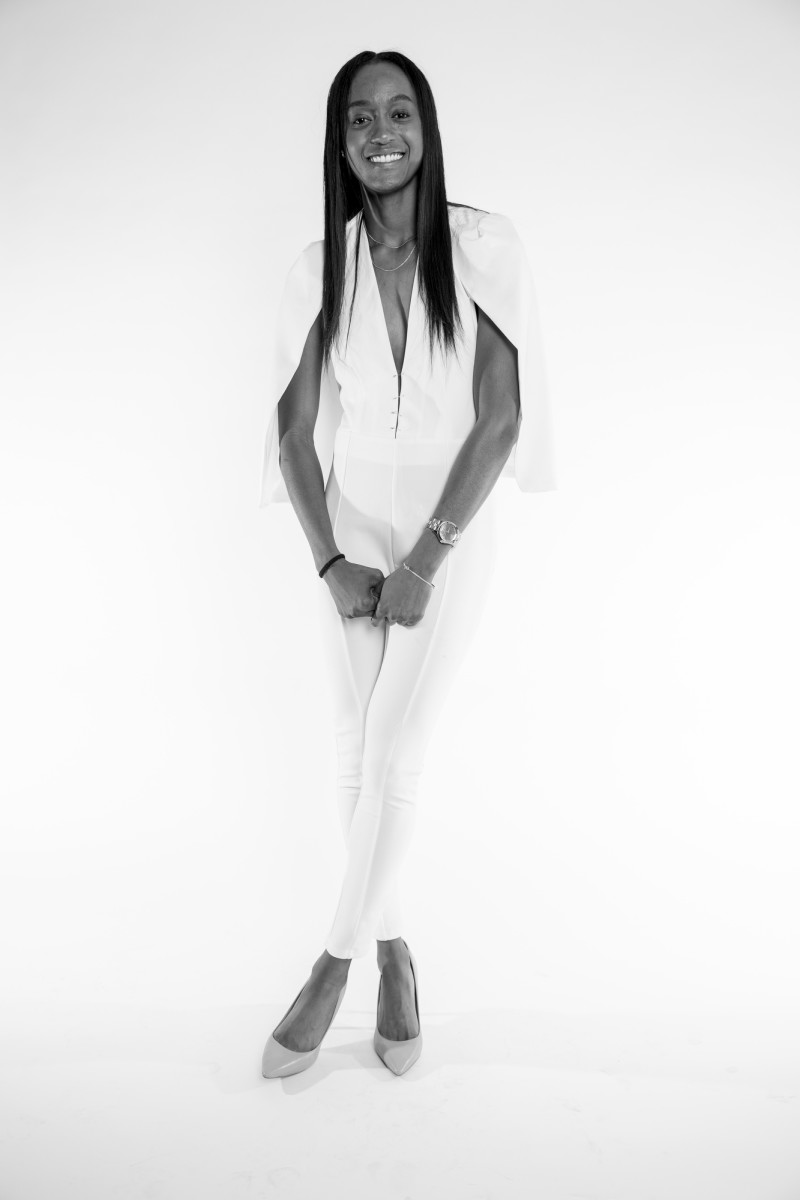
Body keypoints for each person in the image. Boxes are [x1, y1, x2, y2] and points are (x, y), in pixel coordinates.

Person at [259, 49, 556, 1078]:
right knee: (354, 748)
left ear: (425, 128)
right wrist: (329, 560)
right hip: (351, 526)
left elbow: (501, 419)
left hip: (447, 525)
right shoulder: (319, 267)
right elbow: (293, 431)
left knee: (396, 743)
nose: (379, 133)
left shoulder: (484, 246)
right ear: (339, 142)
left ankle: (333, 963)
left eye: (397, 113)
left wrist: (430, 554)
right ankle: (396, 953)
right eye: (358, 118)